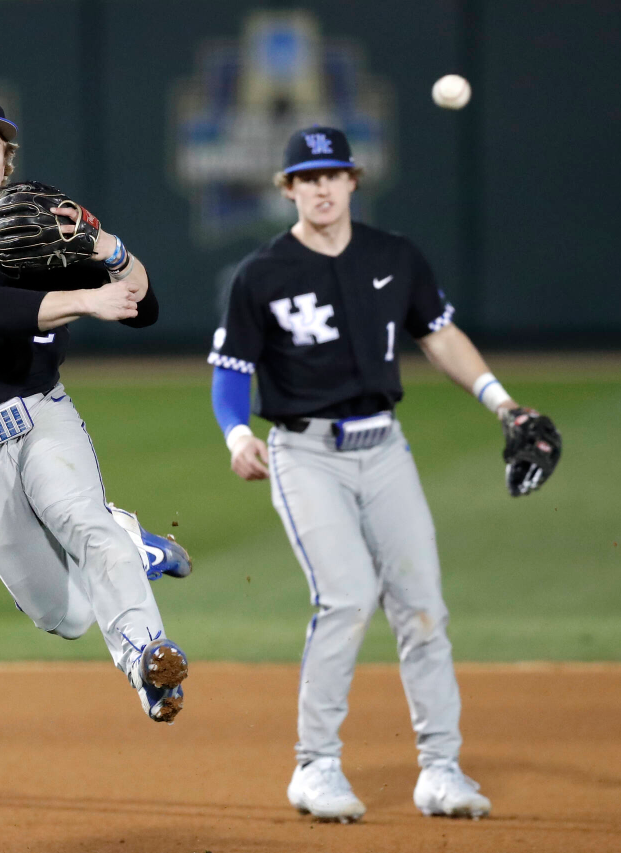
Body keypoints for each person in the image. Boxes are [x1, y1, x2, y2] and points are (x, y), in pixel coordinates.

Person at [208, 126, 546, 819]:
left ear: (353, 181)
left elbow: (439, 335)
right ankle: (315, 765)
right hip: (305, 455)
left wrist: (502, 403)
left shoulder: (395, 256)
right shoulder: (262, 274)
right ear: (289, 189)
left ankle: (441, 770)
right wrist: (238, 433)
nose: (322, 187)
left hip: (385, 449)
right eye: (307, 177)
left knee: (423, 608)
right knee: (347, 596)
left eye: (333, 174)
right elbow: (230, 370)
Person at [0, 94, 191, 723]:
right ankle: (134, 544)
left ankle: (149, 661)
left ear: (6, 166)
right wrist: (86, 300)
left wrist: (107, 248)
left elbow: (144, 304)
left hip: (41, 413)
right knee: (66, 616)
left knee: (84, 525)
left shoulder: (34, 226)